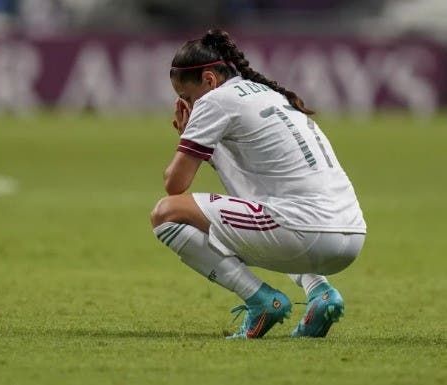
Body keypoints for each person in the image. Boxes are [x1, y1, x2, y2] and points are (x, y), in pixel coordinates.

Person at [150, 29, 366, 339]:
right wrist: (208, 151)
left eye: (187, 97)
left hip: (306, 231)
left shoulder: (215, 101)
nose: (187, 104)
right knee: (271, 212)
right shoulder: (270, 94)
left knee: (166, 213)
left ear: (209, 80)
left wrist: (187, 137)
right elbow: (251, 193)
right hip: (351, 235)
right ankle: (320, 293)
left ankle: (261, 300)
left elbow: (175, 184)